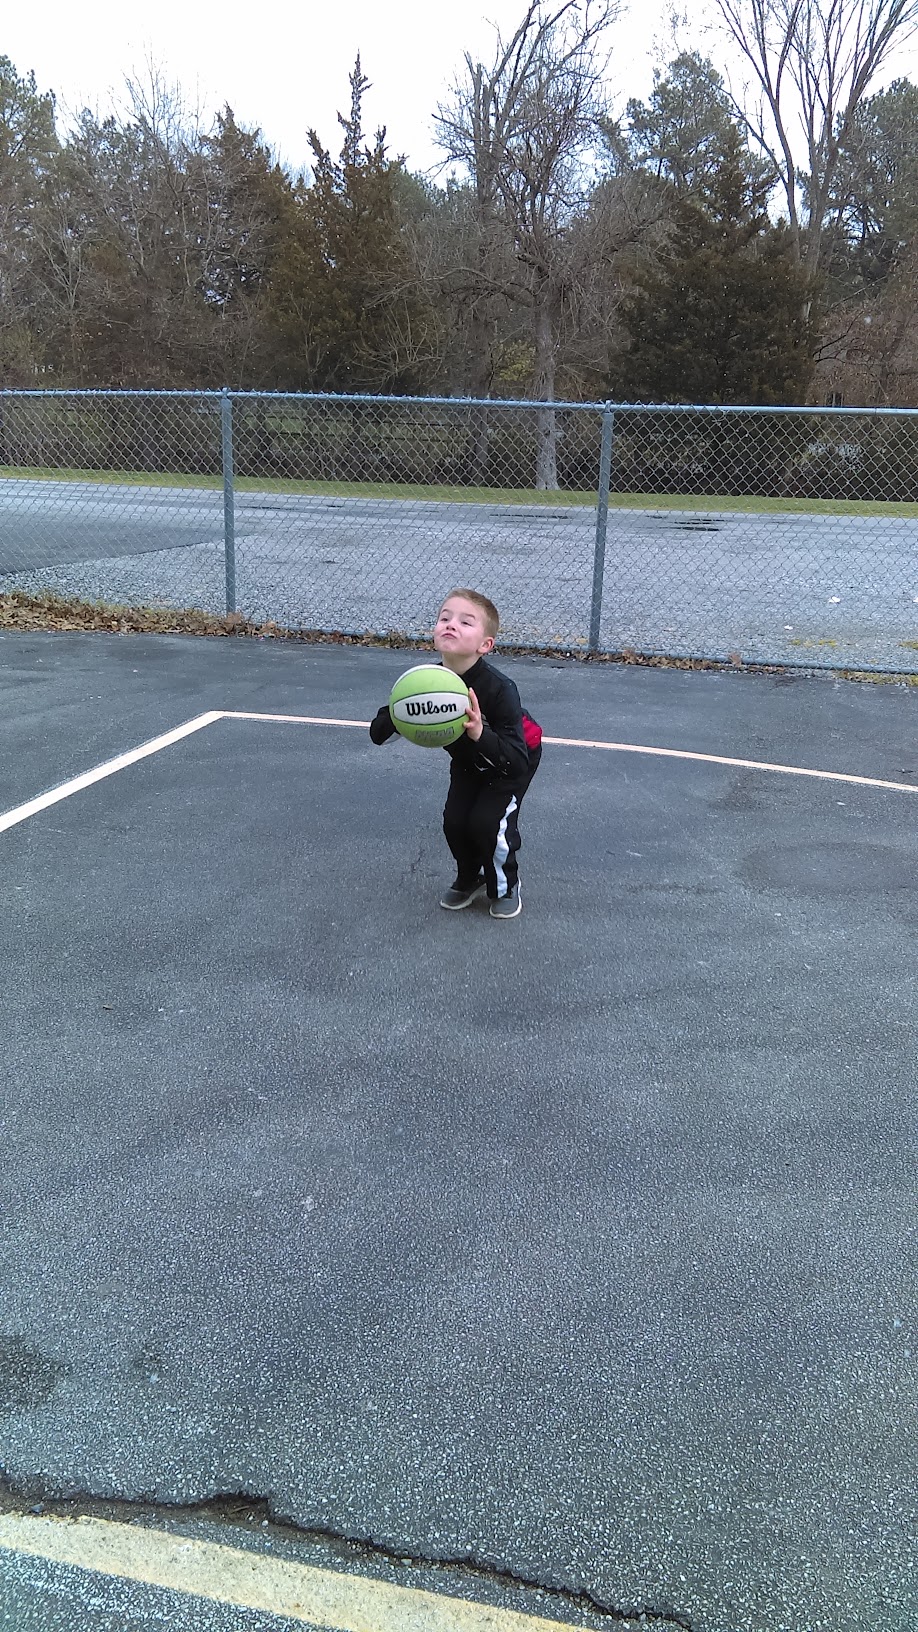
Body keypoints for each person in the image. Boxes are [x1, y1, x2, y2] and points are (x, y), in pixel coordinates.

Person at [369, 588, 542, 919]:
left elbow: (516, 759)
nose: (450, 624)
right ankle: (470, 877)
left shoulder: (500, 688)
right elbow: (379, 734)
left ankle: (505, 886)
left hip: (513, 757)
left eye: (465, 622)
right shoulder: (425, 683)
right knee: (455, 822)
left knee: (488, 823)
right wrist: (401, 713)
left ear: (485, 645)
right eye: (444, 618)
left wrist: (479, 733)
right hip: (468, 760)